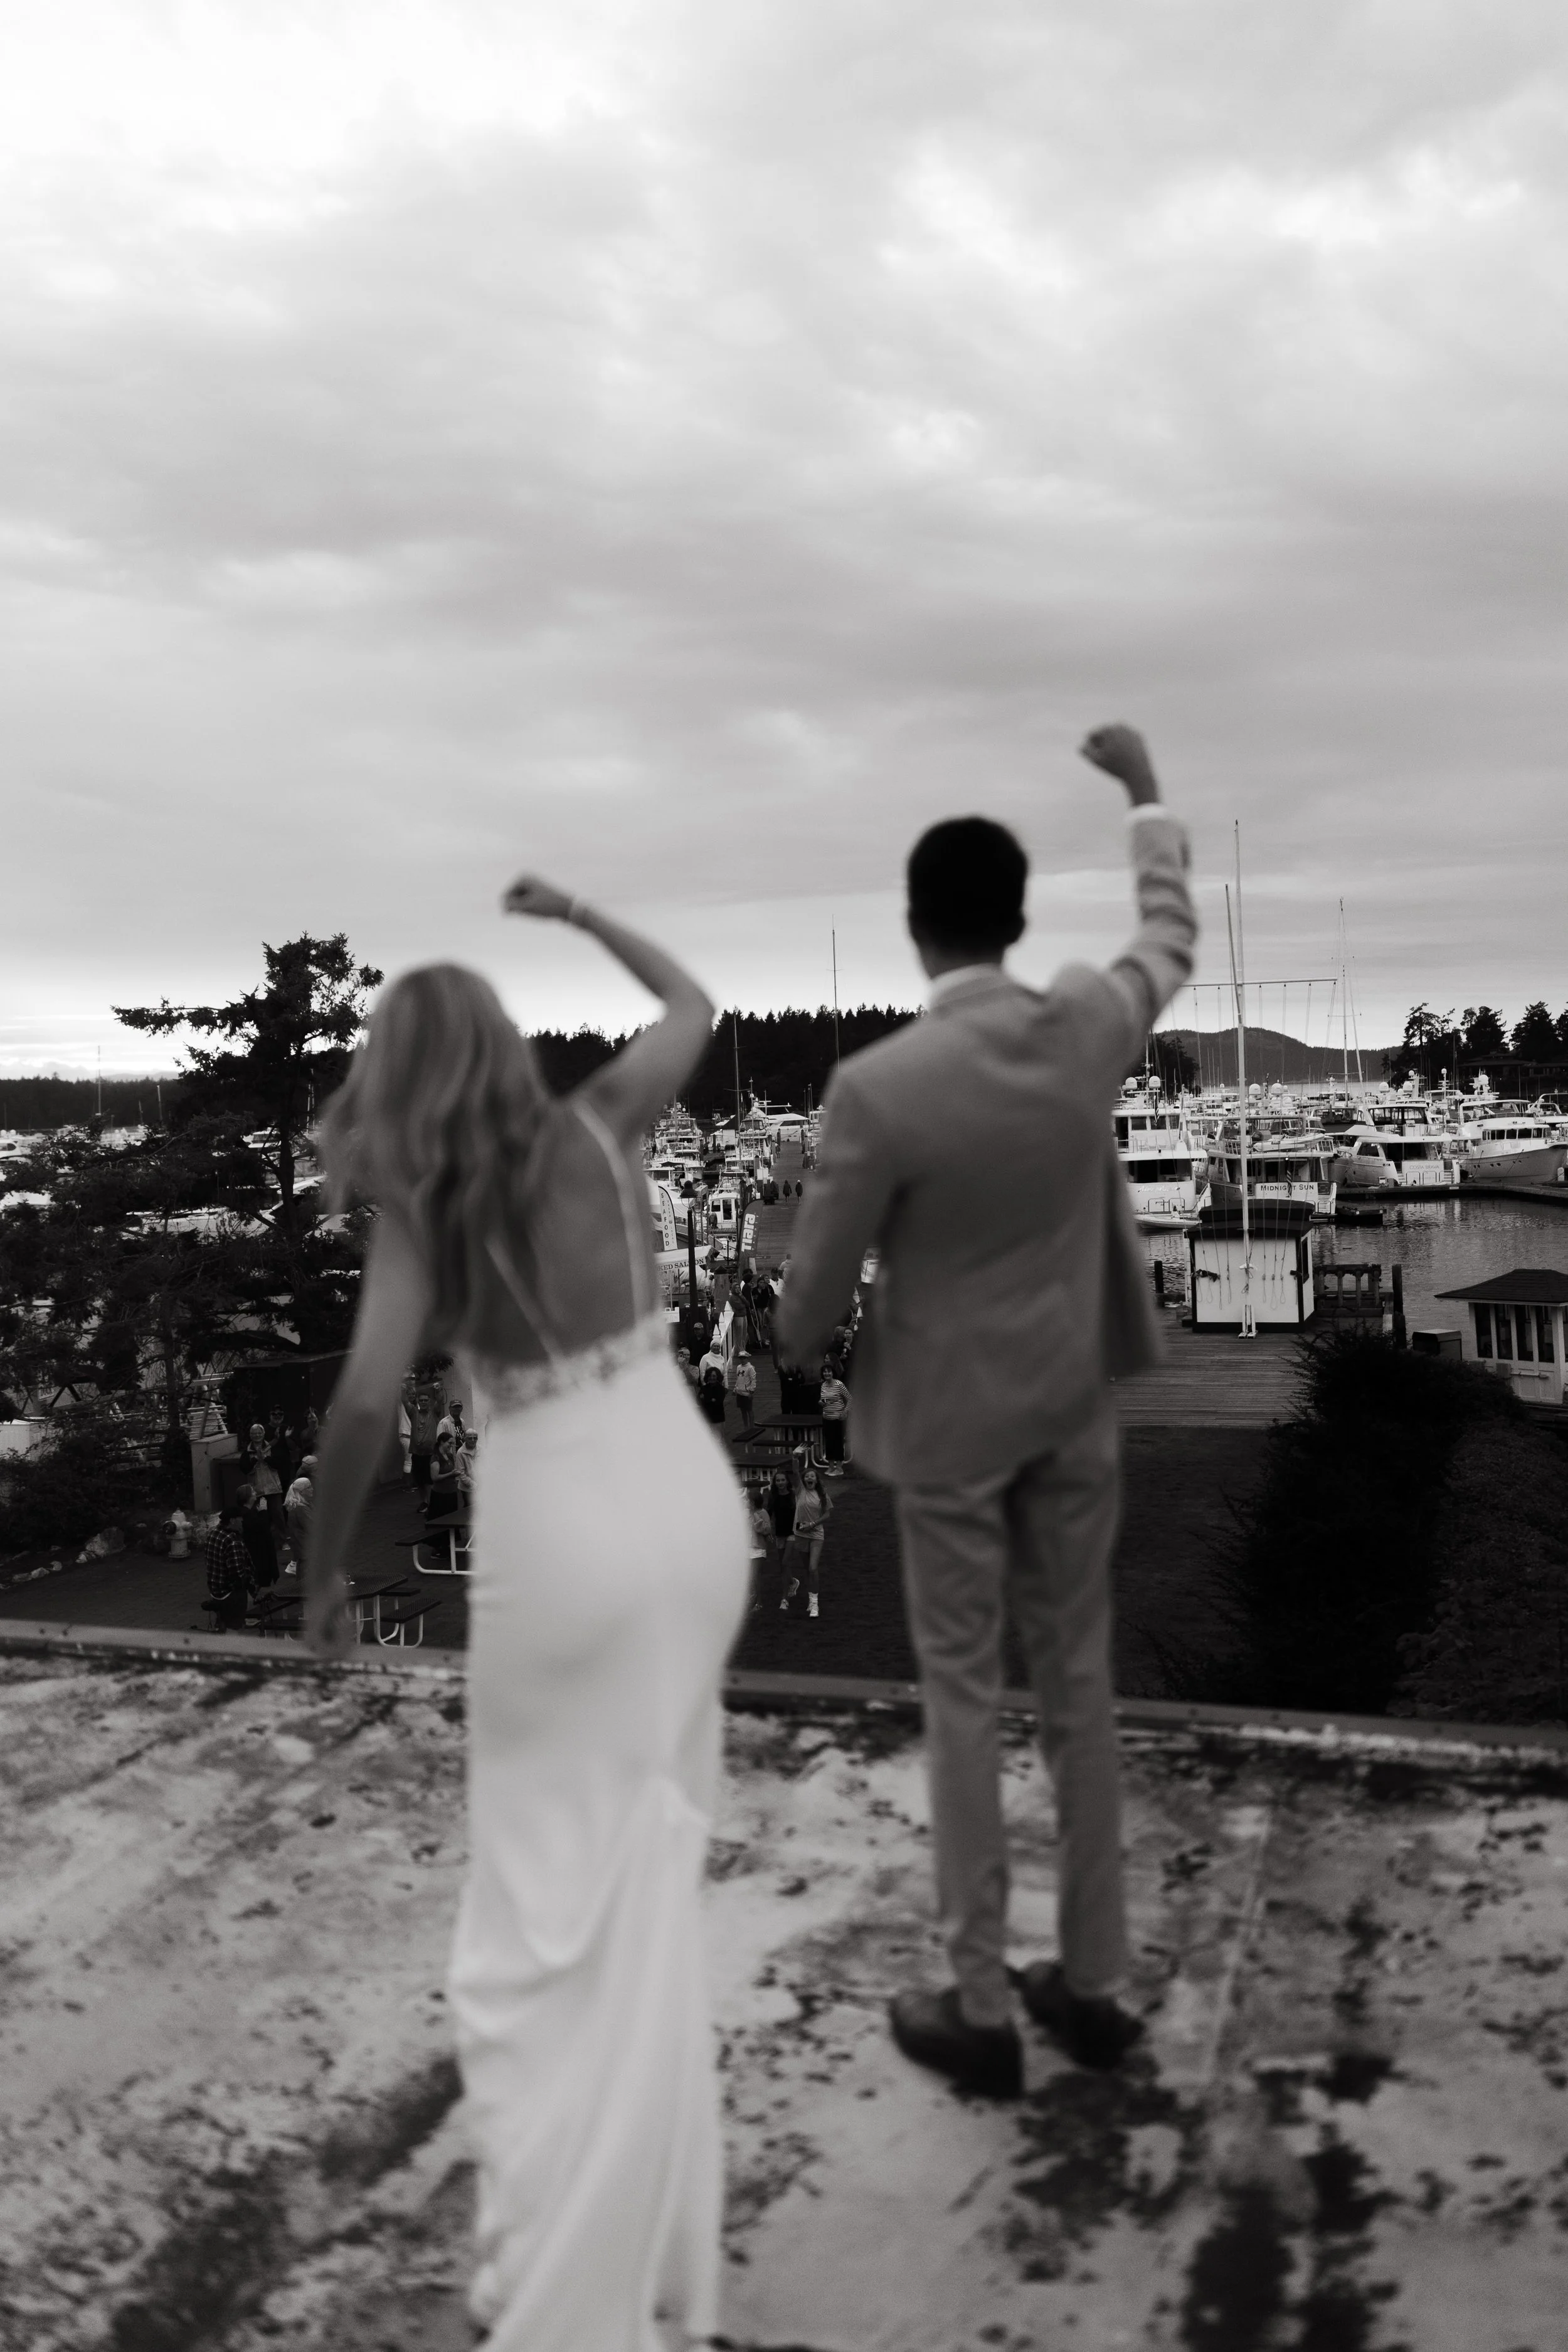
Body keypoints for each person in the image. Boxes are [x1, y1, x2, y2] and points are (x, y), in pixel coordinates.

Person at [304, 877, 748, 2350]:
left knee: (535, 1927)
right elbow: (692, 1005)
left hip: (565, 1525)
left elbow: (362, 1404)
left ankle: (568, 2283)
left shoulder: (433, 1207)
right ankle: (656, 2254)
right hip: (688, 1499)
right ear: (504, 1045)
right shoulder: (601, 1125)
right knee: (642, 1887)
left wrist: (323, 1571)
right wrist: (585, 915)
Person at [777, 724, 1197, 2095]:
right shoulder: (1083, 1029)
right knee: (1079, 1691)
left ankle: (977, 2003)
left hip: (949, 1432)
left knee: (961, 1700)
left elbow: (804, 1313)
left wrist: (844, 1294)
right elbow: (1168, 937)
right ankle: (1091, 1984)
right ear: (1016, 922)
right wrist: (1143, 795)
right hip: (1070, 1406)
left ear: (915, 932)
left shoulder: (876, 1090)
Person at [779, 1458, 831, 1619]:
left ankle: (815, 1604)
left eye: (812, 1476)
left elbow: (827, 1514)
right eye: (807, 1476)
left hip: (816, 1535)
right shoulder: (800, 1490)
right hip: (801, 1534)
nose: (809, 1478)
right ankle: (810, 1599)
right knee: (807, 1570)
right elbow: (795, 1471)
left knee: (813, 1568)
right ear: (804, 1480)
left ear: (816, 1480)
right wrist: (795, 1457)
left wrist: (813, 1524)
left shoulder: (822, 1494)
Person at [204, 1500, 252, 1630]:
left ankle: (220, 1625)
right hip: (229, 1593)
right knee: (233, 1629)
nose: (243, 1521)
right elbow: (237, 1574)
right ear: (233, 1521)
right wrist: (249, 1582)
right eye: (240, 1519)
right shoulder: (233, 1540)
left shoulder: (213, 1534)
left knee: (222, 1624)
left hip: (214, 1590)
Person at [236, 1478, 279, 1592]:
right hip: (257, 1553)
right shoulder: (246, 1514)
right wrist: (263, 1512)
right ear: (248, 1497)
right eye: (253, 1492)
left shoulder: (249, 1511)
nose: (256, 1493)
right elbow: (262, 1529)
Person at [283, 1458, 315, 1573]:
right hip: (307, 1552)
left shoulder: (299, 1506)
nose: (312, 1489)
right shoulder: (300, 1509)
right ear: (301, 1492)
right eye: (309, 1488)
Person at [407, 1379, 440, 1492]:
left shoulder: (434, 1412)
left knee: (430, 1480)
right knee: (420, 1481)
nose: (423, 1402)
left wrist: (438, 1391)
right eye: (421, 1400)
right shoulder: (413, 1412)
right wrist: (402, 1390)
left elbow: (439, 1400)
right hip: (417, 1454)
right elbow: (405, 1401)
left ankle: (430, 1500)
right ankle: (424, 1501)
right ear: (418, 1401)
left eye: (426, 1400)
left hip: (430, 1454)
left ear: (429, 1401)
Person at [818, 1362, 850, 1472]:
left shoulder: (839, 1384)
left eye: (829, 1372)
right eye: (825, 1372)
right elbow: (824, 1399)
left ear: (833, 1373)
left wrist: (845, 1412)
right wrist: (821, 1402)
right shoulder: (823, 1385)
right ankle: (831, 1466)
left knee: (838, 1442)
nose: (827, 1374)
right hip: (827, 1419)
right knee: (829, 1443)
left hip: (839, 1419)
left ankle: (839, 1467)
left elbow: (850, 1399)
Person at [696, 1348, 728, 1428]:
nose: (712, 1378)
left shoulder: (721, 1389)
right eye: (710, 1376)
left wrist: (705, 1399)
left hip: (718, 1419)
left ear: (717, 1377)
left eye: (714, 1376)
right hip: (706, 1419)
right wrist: (711, 1400)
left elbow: (717, 1403)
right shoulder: (704, 1388)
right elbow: (698, 1401)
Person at [732, 1349, 758, 1433]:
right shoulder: (738, 1367)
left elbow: (753, 1380)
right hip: (740, 1392)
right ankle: (746, 1428)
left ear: (747, 1358)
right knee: (743, 1411)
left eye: (744, 1358)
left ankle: (752, 1428)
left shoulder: (750, 1368)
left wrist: (752, 1391)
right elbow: (738, 1379)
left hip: (747, 1393)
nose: (742, 1360)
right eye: (741, 1358)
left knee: (749, 1410)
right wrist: (735, 1389)